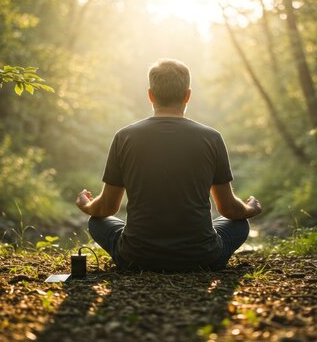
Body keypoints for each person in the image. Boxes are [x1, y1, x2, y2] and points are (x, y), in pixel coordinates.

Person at [75, 59, 262, 272]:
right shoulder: (212, 138)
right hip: (203, 257)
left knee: (97, 221)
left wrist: (85, 205)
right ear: (188, 96)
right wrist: (250, 208)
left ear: (150, 95)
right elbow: (228, 209)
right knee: (239, 224)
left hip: (136, 256)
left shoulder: (124, 137)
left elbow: (107, 208)